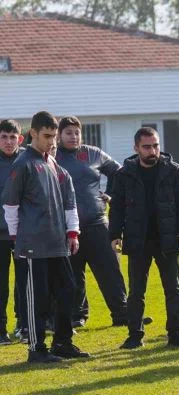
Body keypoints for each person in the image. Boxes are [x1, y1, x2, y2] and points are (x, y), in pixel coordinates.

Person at [1, 111, 91, 363]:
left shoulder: (53, 165)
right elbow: (10, 205)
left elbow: (68, 203)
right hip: (33, 246)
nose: (52, 142)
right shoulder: (23, 164)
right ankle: (36, 348)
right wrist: (19, 238)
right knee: (36, 297)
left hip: (57, 244)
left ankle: (62, 342)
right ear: (33, 134)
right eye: (47, 136)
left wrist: (72, 233)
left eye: (54, 136)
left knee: (67, 291)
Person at [109, 127, 179, 350]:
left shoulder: (174, 171)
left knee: (173, 289)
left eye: (155, 145)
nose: (152, 151)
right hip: (137, 240)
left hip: (168, 239)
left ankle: (176, 335)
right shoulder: (124, 174)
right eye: (147, 147)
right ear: (136, 148)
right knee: (136, 292)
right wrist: (114, 234)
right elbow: (116, 207)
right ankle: (135, 335)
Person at [56, 116, 128, 328]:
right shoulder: (52, 156)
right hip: (67, 227)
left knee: (110, 271)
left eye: (77, 132)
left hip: (97, 223)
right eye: (68, 132)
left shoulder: (93, 153)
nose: (73, 136)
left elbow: (119, 172)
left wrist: (111, 194)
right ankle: (77, 316)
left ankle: (122, 314)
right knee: (73, 274)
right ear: (59, 135)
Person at [0, 119, 26, 344]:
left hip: (24, 233)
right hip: (0, 234)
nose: (8, 142)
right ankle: (1, 331)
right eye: (3, 137)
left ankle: (24, 325)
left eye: (12, 137)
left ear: (20, 139)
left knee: (24, 282)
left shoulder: (28, 159)